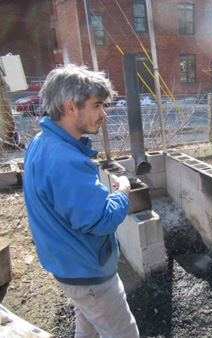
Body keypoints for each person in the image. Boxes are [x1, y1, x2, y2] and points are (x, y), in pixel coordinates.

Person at [23, 64, 140, 338]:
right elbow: (101, 220)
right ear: (70, 107)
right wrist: (122, 192)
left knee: (88, 327)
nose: (104, 114)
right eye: (97, 105)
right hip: (88, 274)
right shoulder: (66, 161)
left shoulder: (42, 142)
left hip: (68, 265)